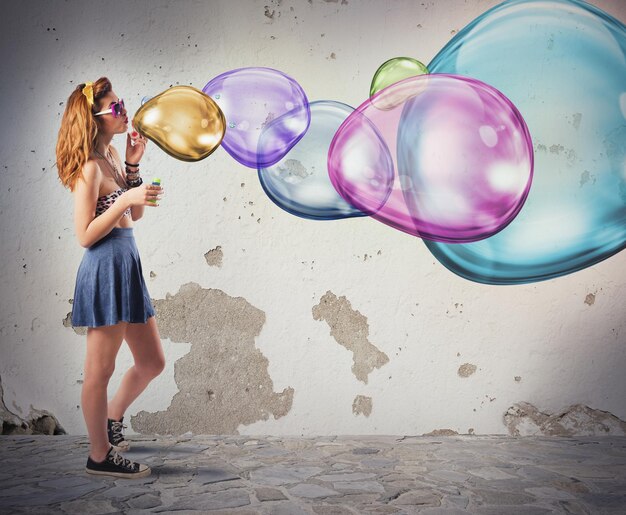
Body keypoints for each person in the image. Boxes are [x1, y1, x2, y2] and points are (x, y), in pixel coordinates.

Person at [56, 77, 165, 479]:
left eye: (122, 105)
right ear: (94, 117)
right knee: (98, 373)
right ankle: (98, 455)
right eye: (116, 108)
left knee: (152, 361)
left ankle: (111, 422)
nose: (124, 112)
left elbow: (133, 216)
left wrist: (134, 166)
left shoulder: (114, 157)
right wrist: (124, 198)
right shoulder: (88, 168)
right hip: (105, 268)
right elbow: (84, 235)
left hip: (127, 262)